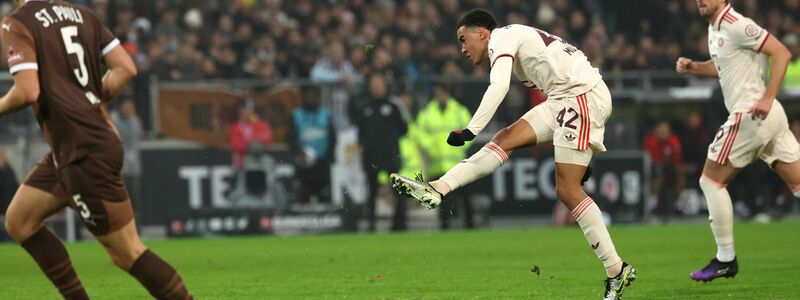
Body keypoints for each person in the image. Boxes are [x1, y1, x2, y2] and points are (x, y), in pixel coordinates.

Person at [389, 9, 636, 298]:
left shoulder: (501, 37)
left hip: (579, 95)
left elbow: (499, 85)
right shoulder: (517, 41)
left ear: (482, 33)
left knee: (568, 189)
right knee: (504, 139)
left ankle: (616, 271)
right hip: (565, 97)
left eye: (463, 39)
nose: (462, 49)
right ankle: (437, 188)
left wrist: (470, 130)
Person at [0, 1, 192, 299]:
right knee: (19, 221)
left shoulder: (16, 23)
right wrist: (86, 102)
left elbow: (27, 91)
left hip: (83, 151)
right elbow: (126, 68)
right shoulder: (82, 14)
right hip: (78, 146)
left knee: (127, 252)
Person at [676, 0, 800, 282]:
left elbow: (781, 52)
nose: (701, 0)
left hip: (752, 113)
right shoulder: (715, 29)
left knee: (711, 181)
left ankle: (725, 259)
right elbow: (724, 67)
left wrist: (768, 97)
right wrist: (695, 67)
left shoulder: (737, 24)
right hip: (768, 118)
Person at [355, 72, 408, 232]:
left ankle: (399, 224)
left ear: (385, 85)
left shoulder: (393, 107)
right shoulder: (365, 108)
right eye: (374, 83)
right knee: (371, 190)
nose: (377, 86)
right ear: (370, 86)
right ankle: (371, 223)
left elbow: (403, 129)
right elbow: (361, 133)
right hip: (372, 156)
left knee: (396, 190)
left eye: (380, 82)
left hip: (390, 155)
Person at [415, 86, 473, 229]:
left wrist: (460, 146)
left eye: (443, 93)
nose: (441, 96)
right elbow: (419, 134)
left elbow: (471, 131)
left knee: (464, 198)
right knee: (442, 199)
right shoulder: (427, 113)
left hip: (457, 163)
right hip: (438, 164)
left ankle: (469, 226)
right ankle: (445, 226)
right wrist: (431, 148)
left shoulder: (459, 111)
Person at [289, 86, 336, 204]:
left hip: (322, 163)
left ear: (318, 98)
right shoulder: (296, 115)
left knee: (324, 196)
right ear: (303, 98)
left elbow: (332, 138)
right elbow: (290, 138)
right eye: (308, 95)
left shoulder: (325, 115)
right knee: (304, 196)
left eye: (314, 95)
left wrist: (328, 157)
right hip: (304, 163)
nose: (311, 98)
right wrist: (298, 151)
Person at [643, 121, 683, 223]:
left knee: (680, 173)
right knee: (658, 175)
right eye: (661, 130)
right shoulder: (650, 141)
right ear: (656, 131)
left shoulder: (673, 140)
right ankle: (653, 204)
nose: (663, 132)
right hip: (654, 169)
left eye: (665, 130)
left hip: (670, 169)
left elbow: (677, 159)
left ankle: (678, 204)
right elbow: (648, 160)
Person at [111, 98, 143, 220]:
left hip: (134, 169)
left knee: (136, 202)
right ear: (120, 107)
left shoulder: (134, 122)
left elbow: (139, 133)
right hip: (119, 169)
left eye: (131, 107)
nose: (128, 109)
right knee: (120, 203)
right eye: (126, 106)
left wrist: (134, 116)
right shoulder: (114, 120)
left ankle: (137, 230)